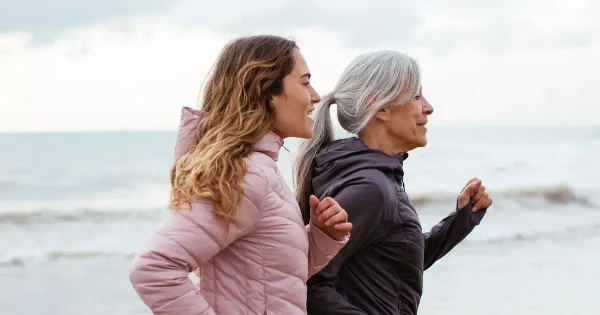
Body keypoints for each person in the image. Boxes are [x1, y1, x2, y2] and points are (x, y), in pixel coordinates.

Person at [129, 35, 353, 315]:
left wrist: (322, 237)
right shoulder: (246, 174)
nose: (316, 96)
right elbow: (154, 269)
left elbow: (272, 277)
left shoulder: (260, 169)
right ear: (266, 91)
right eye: (305, 82)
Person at [294, 50, 492, 315]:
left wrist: (461, 220)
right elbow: (307, 284)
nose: (428, 107)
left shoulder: (373, 175)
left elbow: (394, 262)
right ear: (381, 108)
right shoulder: (370, 188)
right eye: (416, 95)